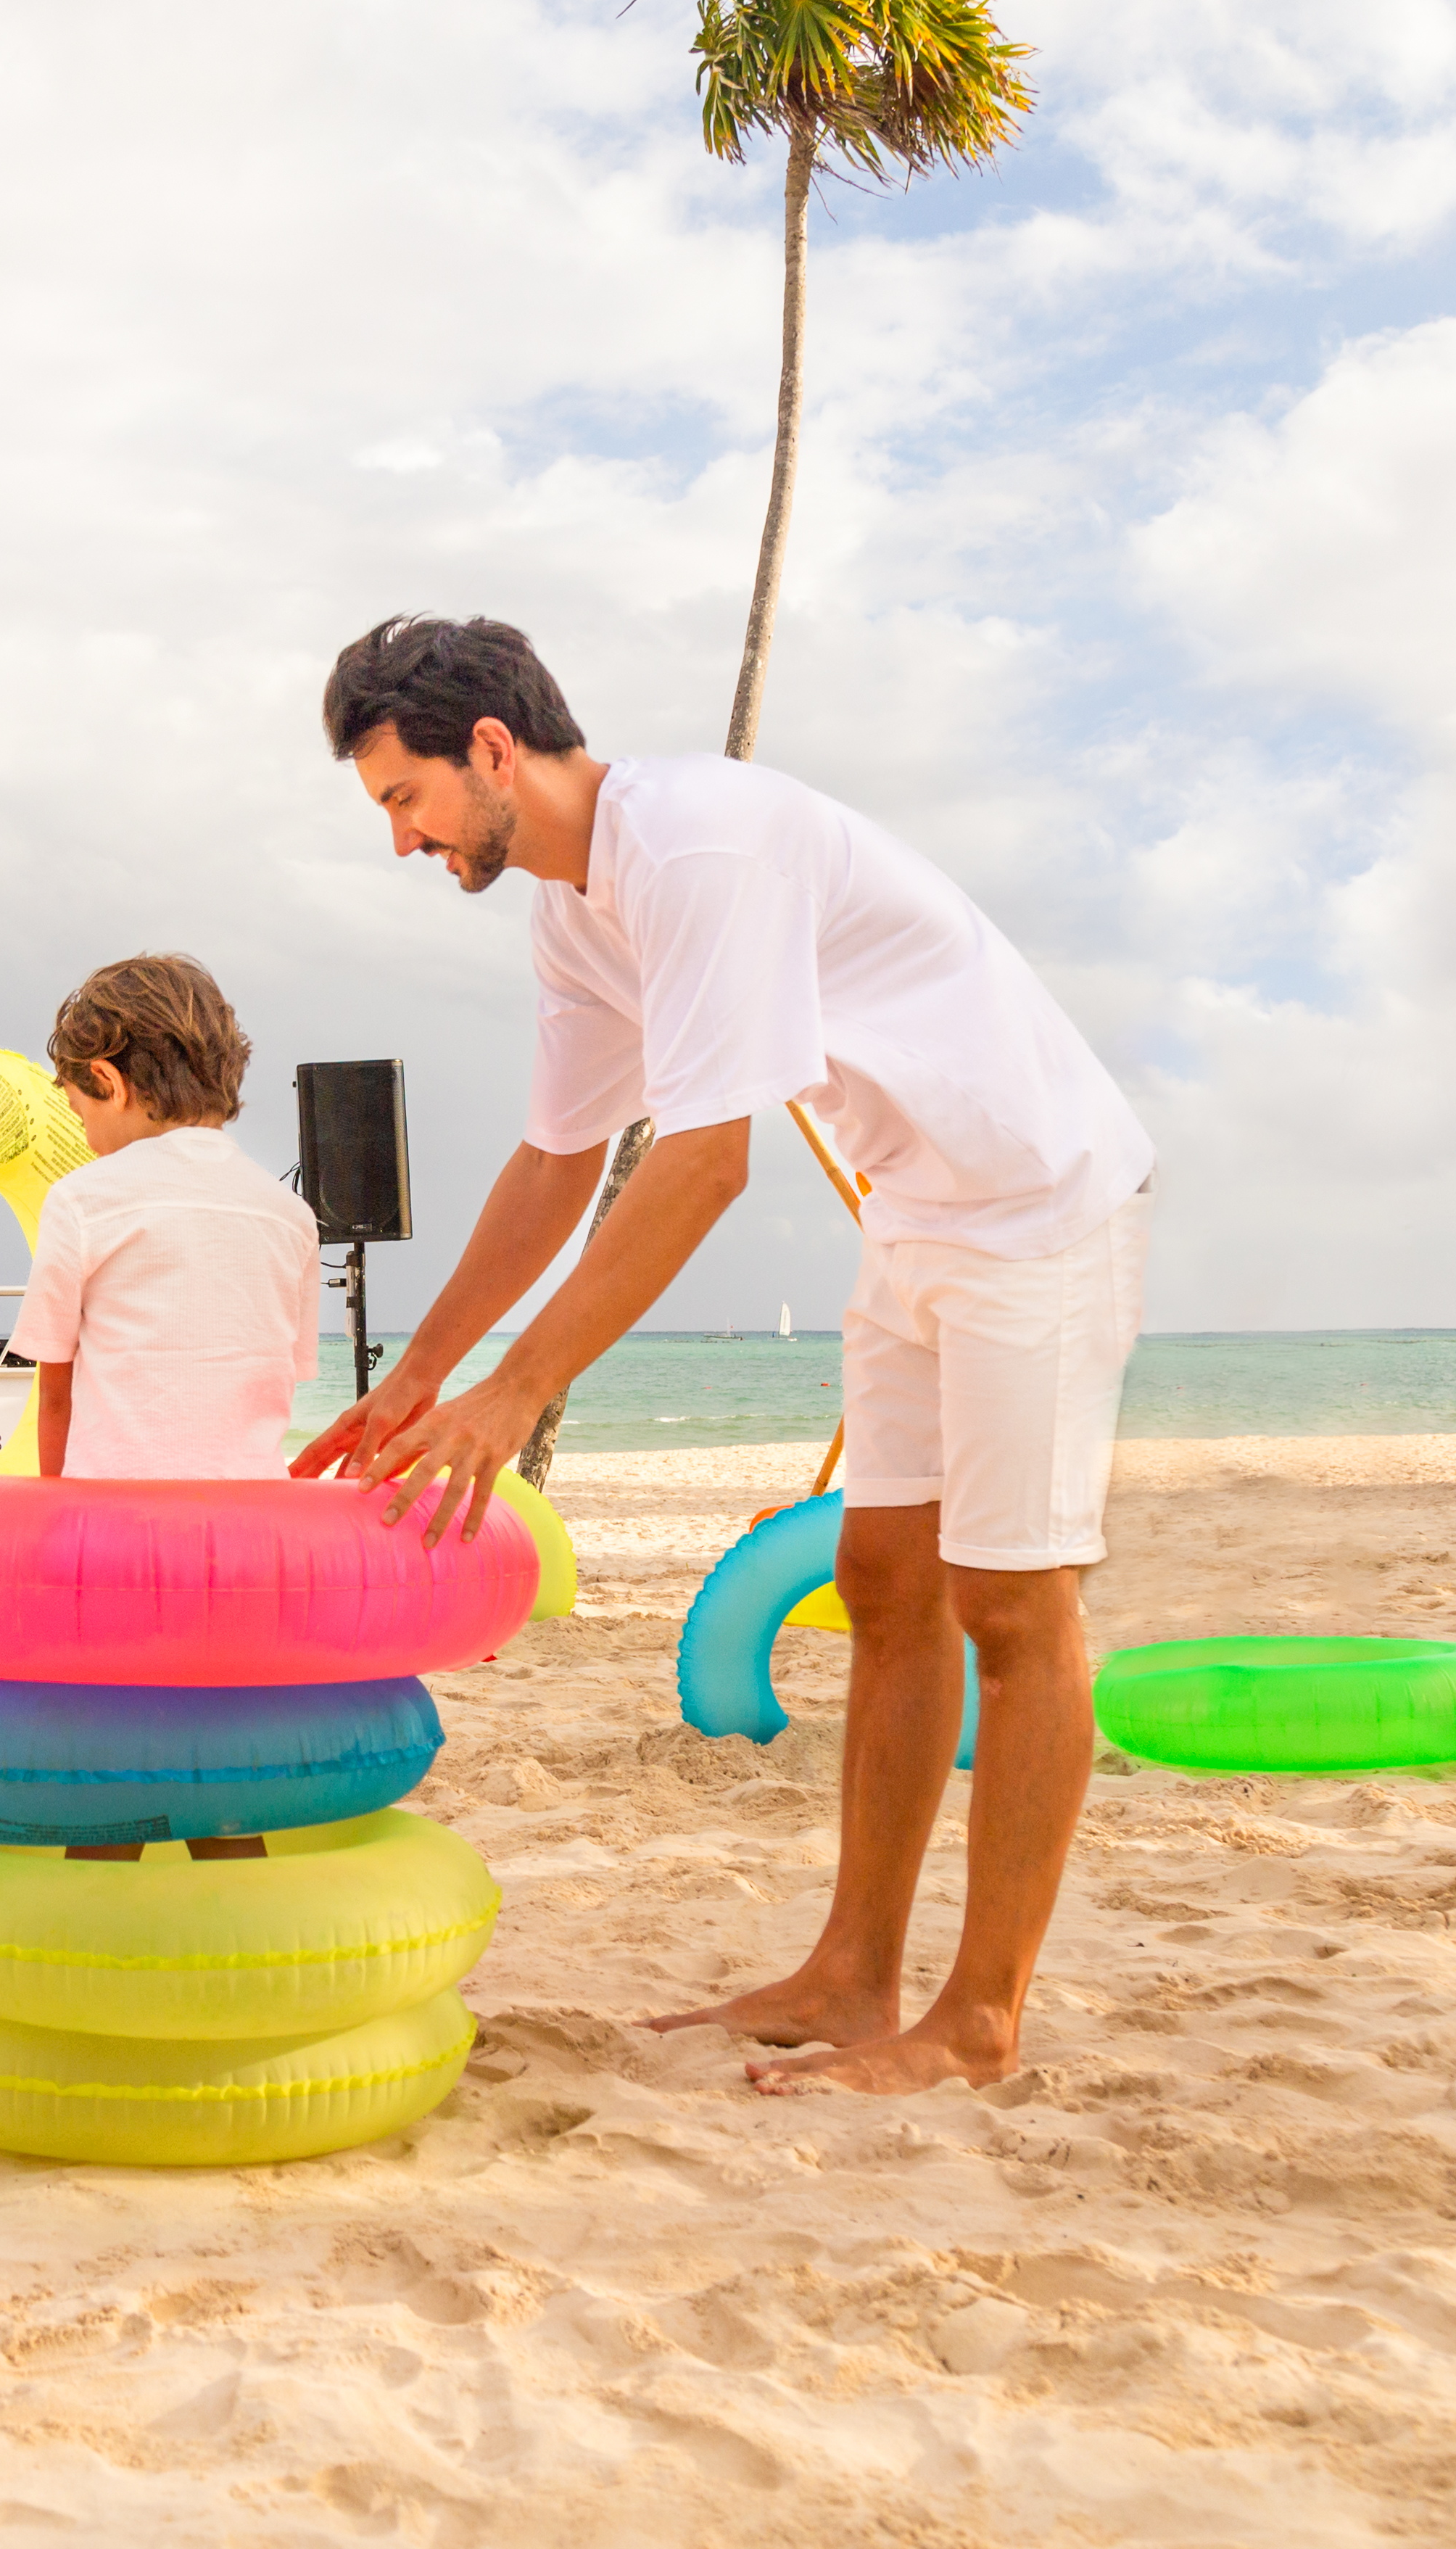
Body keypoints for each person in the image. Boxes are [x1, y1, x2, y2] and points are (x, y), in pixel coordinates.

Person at [291, 614, 1153, 2096]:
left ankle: (981, 2020)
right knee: (886, 1584)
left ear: (491, 752)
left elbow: (703, 1166)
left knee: (1013, 1607)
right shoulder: (581, 911)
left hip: (1037, 1201)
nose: (401, 841)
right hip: (920, 1214)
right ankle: (856, 1971)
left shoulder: (695, 845)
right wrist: (427, 1370)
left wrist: (522, 1390)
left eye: (403, 798)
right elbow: (561, 1160)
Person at [9, 953, 323, 1483]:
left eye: (79, 1111)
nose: (86, 1136)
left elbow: (56, 1401)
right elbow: (278, 1385)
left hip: (120, 1529)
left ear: (108, 1082)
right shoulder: (293, 1218)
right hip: (251, 1527)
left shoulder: (81, 1201)